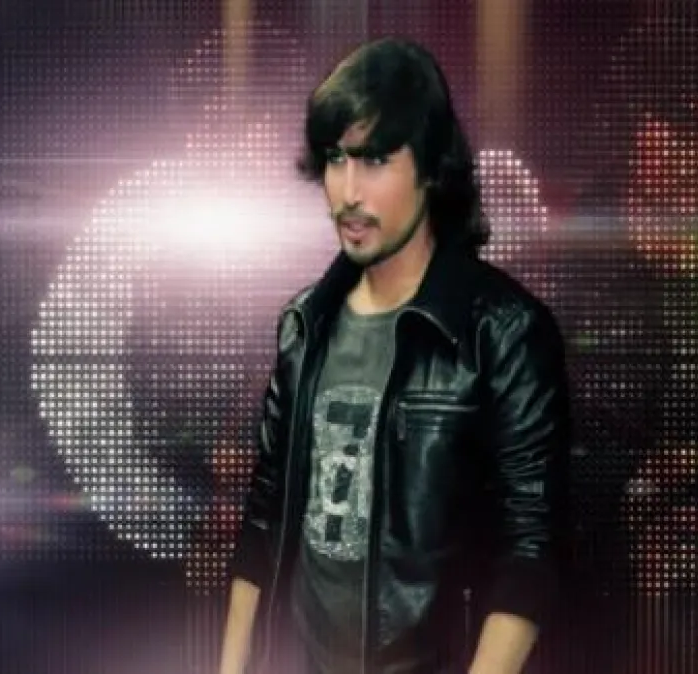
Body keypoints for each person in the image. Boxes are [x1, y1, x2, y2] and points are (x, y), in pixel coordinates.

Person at [217, 37, 573, 674]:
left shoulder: (503, 332)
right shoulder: (305, 326)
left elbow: (530, 553)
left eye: (375, 159)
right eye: (335, 159)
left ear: (431, 166)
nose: (348, 192)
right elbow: (262, 527)